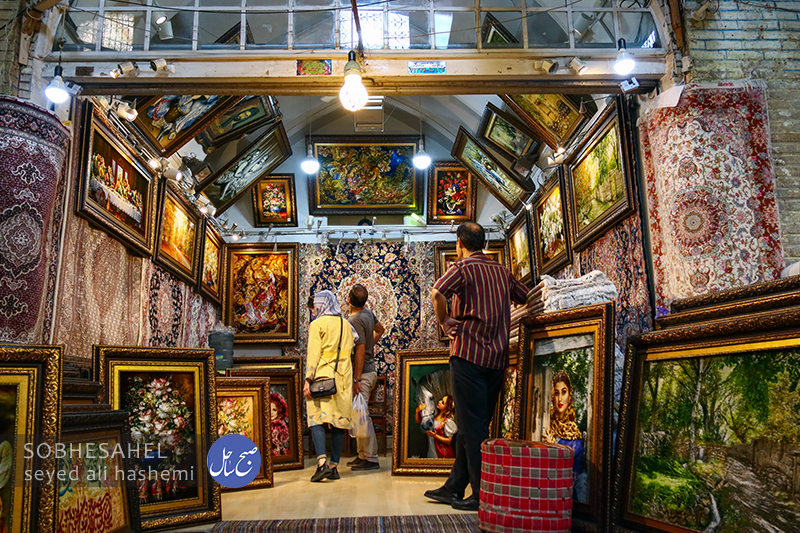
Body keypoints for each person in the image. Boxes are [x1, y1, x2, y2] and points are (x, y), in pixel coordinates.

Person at [424, 222, 529, 511]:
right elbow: (526, 296)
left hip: (468, 355)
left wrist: (444, 321)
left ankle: (483, 495)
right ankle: (454, 487)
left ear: (460, 243)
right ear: (484, 242)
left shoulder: (462, 268)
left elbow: (437, 293)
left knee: (472, 428)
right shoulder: (502, 272)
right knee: (475, 424)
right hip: (497, 359)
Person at [303, 290, 358, 482]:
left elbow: (313, 353)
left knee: (316, 417)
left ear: (320, 305)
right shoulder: (347, 324)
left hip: (323, 376)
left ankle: (322, 465)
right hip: (344, 378)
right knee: (338, 421)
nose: (313, 311)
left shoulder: (317, 324)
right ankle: (334, 467)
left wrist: (308, 378)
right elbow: (353, 348)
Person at [345, 284, 385, 471]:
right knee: (358, 414)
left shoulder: (354, 320)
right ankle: (362, 455)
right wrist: (371, 346)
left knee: (362, 415)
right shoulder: (368, 313)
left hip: (363, 373)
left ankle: (371, 459)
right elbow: (380, 330)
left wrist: (357, 379)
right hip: (369, 371)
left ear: (349, 300)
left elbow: (360, 350)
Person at [544, 369, 586, 502]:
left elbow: (572, 478)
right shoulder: (544, 422)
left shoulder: (574, 438)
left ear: (570, 395)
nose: (560, 399)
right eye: (556, 393)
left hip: (563, 499)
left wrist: (554, 449)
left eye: (564, 392)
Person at [416, 394, 457, 458]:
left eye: (442, 403)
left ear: (447, 408)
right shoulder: (432, 417)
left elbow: (448, 441)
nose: (439, 402)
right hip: (431, 449)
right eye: (441, 400)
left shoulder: (447, 422)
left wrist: (435, 435)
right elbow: (418, 421)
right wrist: (417, 411)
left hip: (443, 453)